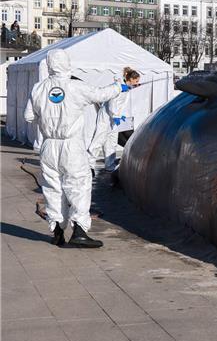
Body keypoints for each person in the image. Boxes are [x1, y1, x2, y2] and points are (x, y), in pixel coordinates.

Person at [24, 49, 132, 248]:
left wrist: (49, 116)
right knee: (79, 186)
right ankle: (79, 231)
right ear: (67, 64)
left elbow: (29, 116)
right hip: (71, 145)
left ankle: (57, 230)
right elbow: (101, 95)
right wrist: (120, 87)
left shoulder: (39, 88)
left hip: (49, 145)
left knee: (52, 188)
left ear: (49, 65)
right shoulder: (76, 87)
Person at [91, 67, 139, 171]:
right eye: (135, 81)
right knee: (98, 140)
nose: (136, 84)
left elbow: (119, 105)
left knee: (111, 141)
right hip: (106, 117)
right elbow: (112, 104)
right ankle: (88, 164)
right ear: (129, 79)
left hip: (114, 118)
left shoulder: (125, 89)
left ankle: (110, 164)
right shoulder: (117, 87)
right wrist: (116, 116)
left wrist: (119, 115)